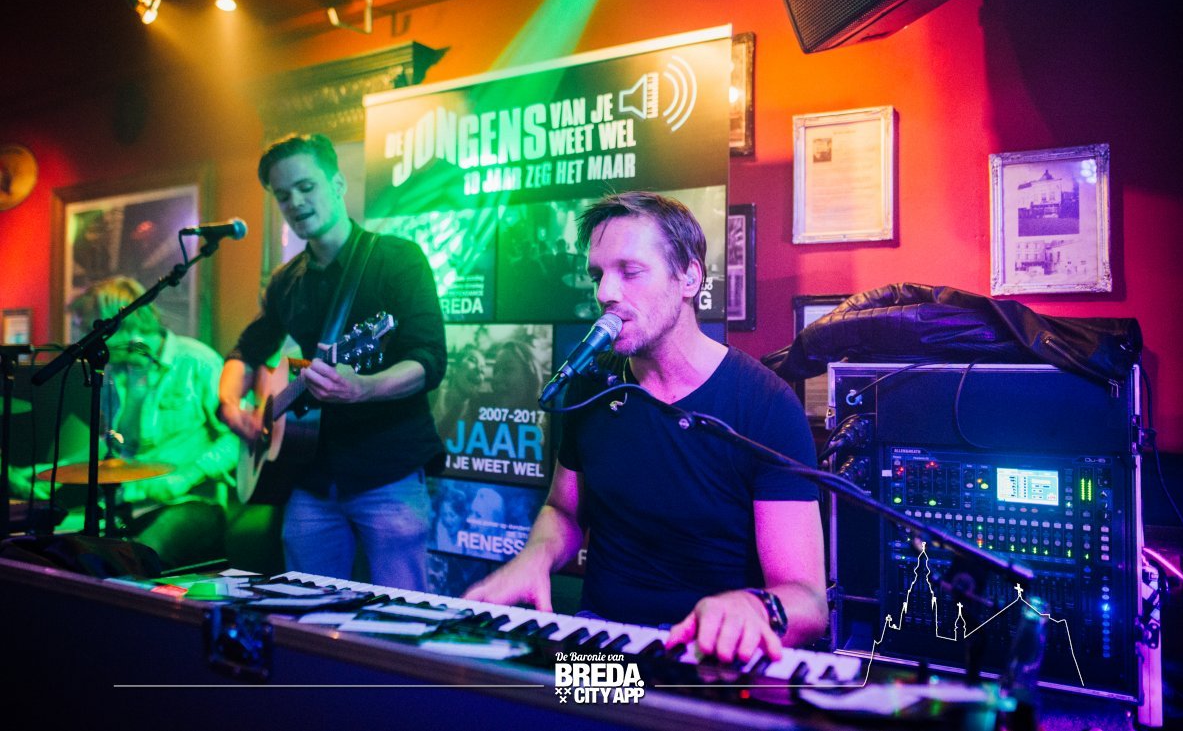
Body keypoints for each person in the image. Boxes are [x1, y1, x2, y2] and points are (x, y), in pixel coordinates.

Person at [465, 191, 828, 664]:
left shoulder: (765, 404)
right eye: (597, 275)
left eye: (630, 271)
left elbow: (808, 600)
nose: (604, 293)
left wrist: (754, 607)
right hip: (601, 646)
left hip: (707, 659)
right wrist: (536, 556)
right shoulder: (592, 386)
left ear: (689, 278)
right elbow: (564, 510)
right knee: (509, 698)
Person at [218, 133, 447, 590]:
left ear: (338, 184)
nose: (295, 202)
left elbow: (428, 359)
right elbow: (246, 350)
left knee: (401, 611)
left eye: (306, 187)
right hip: (309, 478)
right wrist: (229, 405)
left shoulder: (397, 258)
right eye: (283, 195)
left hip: (388, 471)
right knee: (305, 611)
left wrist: (363, 387)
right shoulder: (286, 281)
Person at [50, 277, 238, 570]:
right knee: (65, 552)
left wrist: (188, 475)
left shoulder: (196, 361)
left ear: (115, 325)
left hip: (190, 503)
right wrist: (50, 472)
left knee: (133, 561)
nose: (84, 340)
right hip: (129, 504)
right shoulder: (113, 373)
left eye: (88, 329)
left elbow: (236, 437)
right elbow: (111, 446)